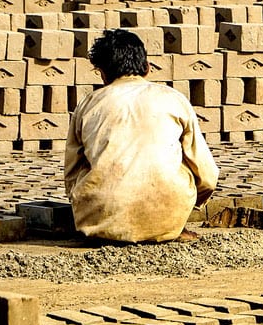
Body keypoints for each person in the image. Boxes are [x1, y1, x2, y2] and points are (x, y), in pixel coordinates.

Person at [64, 29, 219, 243]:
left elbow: (71, 173)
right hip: (170, 214)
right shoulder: (174, 98)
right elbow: (208, 175)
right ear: (147, 67)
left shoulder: (88, 105)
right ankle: (165, 226)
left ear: (103, 73)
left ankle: (112, 227)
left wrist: (85, 203)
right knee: (183, 159)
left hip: (100, 220)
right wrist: (188, 205)